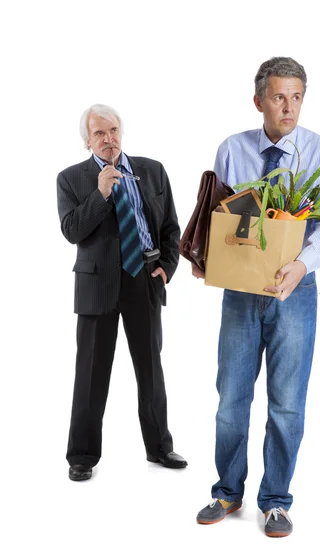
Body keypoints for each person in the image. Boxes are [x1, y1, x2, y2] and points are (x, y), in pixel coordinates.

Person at [196, 57, 320, 536]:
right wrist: (208, 259)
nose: (289, 107)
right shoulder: (232, 149)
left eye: (297, 97)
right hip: (241, 293)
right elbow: (219, 217)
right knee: (230, 400)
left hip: (295, 291)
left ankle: (276, 500)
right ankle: (227, 491)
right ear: (258, 100)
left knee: (287, 403)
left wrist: (300, 264)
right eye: (279, 97)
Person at [57, 104, 187, 481]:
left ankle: (160, 447)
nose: (108, 138)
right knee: (91, 372)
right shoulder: (70, 179)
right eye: (99, 133)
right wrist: (100, 194)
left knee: (150, 368)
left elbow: (171, 227)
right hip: (98, 284)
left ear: (121, 132)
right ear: (87, 141)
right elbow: (72, 231)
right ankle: (81, 456)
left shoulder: (152, 170)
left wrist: (168, 267)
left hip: (144, 277)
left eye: (113, 130)